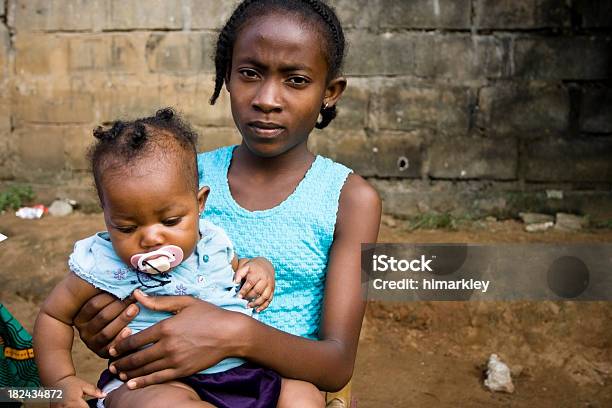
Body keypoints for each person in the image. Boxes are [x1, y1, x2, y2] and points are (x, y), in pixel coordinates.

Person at [73, 1, 382, 406]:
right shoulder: (178, 183)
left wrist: (235, 333)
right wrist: (103, 325)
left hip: (282, 384)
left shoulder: (350, 200)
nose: (268, 99)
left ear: (329, 92)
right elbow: (116, 289)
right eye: (250, 73)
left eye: (296, 80)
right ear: (227, 78)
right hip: (172, 381)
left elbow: (337, 364)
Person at [33, 109, 317, 408]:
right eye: (127, 227)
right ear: (106, 216)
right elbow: (53, 316)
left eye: (170, 221)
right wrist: (61, 381)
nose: (151, 238)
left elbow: (239, 268)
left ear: (199, 204)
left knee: (303, 395)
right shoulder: (101, 262)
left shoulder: (212, 242)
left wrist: (261, 266)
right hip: (151, 382)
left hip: (239, 374)